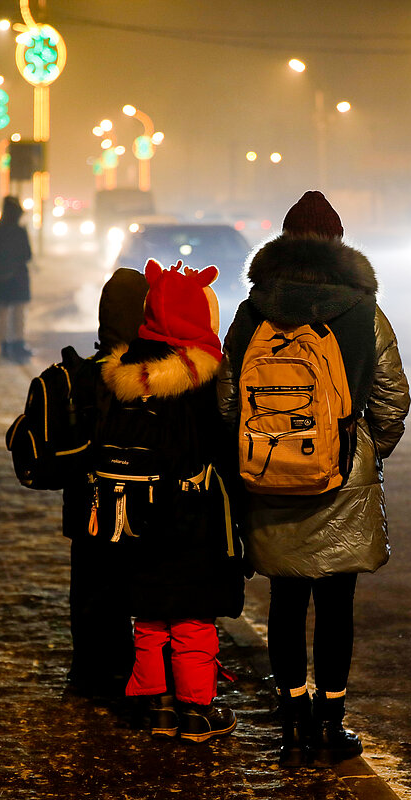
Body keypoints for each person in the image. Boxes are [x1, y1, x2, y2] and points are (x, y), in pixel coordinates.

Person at [217, 191, 411, 767]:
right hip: (343, 471)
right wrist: (369, 454)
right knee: (336, 601)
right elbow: (391, 399)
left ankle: (293, 720)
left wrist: (251, 455)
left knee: (284, 596)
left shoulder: (254, 310)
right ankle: (330, 721)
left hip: (267, 469)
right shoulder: (363, 311)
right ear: (337, 244)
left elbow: (228, 398)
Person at [101, 260, 246, 742]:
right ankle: (196, 710)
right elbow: (225, 444)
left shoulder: (124, 372)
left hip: (135, 515)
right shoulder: (206, 375)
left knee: (148, 615)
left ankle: (157, 707)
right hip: (193, 516)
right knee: (192, 617)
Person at [62, 267, 149, 704]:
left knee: (90, 587)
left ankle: (90, 670)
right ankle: (137, 671)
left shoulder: (86, 372)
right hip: (138, 503)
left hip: (85, 503)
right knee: (137, 583)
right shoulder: (151, 375)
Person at [0, 196, 33, 363]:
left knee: (4, 313)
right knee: (18, 313)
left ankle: (5, 345)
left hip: (1, 280)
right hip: (18, 278)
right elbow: (27, 254)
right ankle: (18, 343)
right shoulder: (19, 231)